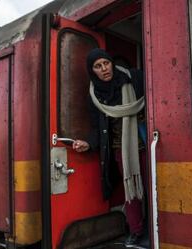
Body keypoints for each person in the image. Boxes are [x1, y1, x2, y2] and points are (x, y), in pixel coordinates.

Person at [72, 48, 145, 246]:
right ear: (92, 71)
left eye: (106, 63)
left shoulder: (134, 78)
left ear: (112, 62)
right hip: (119, 148)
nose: (104, 69)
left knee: (154, 184)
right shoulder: (94, 96)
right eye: (98, 66)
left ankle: (161, 227)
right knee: (131, 190)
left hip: (145, 143)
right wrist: (88, 143)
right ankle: (137, 230)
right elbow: (97, 127)